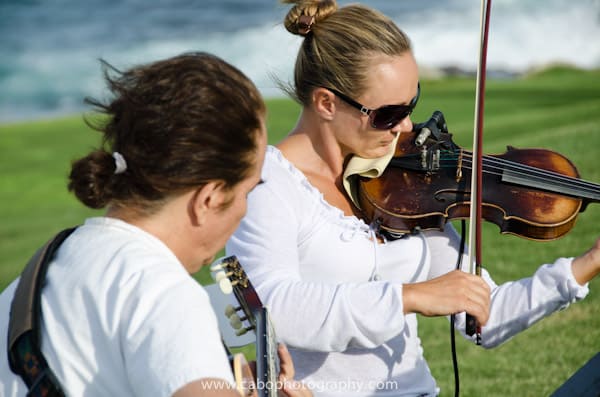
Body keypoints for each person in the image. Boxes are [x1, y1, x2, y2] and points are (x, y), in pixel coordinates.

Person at [225, 1, 600, 396]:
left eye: (412, 104)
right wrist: (411, 296)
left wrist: (589, 263)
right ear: (326, 104)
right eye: (388, 114)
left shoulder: (406, 183)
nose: (405, 126)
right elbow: (274, 307)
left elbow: (484, 315)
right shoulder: (267, 186)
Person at [0, 52, 311, 397]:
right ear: (208, 199)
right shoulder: (164, 293)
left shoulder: (41, 271)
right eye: (248, 191)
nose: (245, 209)